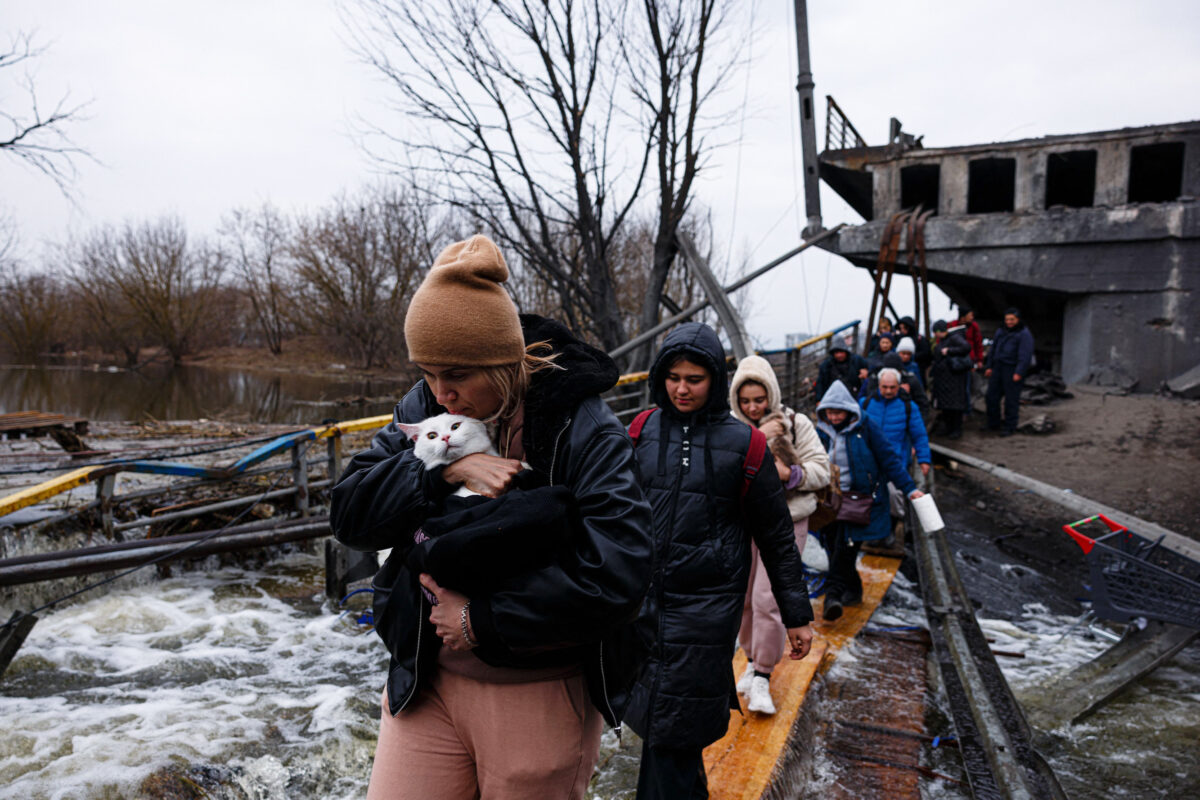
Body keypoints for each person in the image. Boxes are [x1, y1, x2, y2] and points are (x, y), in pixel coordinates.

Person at [330, 234, 653, 800]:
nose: (442, 394)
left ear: (503, 362)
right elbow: (350, 513)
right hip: (425, 681)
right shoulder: (427, 406)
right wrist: (442, 471)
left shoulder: (583, 427)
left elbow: (619, 573)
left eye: (456, 373)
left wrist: (483, 619)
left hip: (539, 689)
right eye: (427, 372)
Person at [623, 323, 814, 800]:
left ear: (714, 380)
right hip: (643, 603)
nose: (682, 389)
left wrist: (796, 615)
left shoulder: (744, 444)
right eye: (673, 377)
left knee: (672, 724)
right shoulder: (641, 430)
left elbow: (774, 534)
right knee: (662, 724)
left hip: (707, 607)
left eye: (694, 378)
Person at [729, 355, 830, 716]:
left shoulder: (796, 423)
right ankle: (753, 658)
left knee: (767, 600)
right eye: (746, 401)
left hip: (786, 522)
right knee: (741, 599)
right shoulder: (732, 428)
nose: (753, 407)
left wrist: (790, 474)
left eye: (759, 400)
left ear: (771, 394)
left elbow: (821, 470)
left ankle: (762, 675)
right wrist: (759, 438)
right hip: (744, 524)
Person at [814, 381, 923, 621]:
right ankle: (853, 590)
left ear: (849, 411)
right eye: (830, 412)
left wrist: (910, 489)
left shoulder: (866, 428)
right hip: (828, 501)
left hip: (856, 501)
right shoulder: (820, 432)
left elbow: (889, 459)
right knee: (832, 547)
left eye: (838, 412)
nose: (834, 417)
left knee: (845, 548)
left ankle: (832, 596)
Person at [985, 307, 1034, 436]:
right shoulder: (1001, 331)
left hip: (1012, 369)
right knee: (991, 396)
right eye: (1007, 319)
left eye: (1012, 319)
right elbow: (993, 349)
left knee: (1011, 400)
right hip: (998, 367)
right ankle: (993, 423)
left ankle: (1009, 426)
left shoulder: (1024, 334)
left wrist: (1019, 372)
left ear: (1017, 319)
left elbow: (1025, 355)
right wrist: (989, 366)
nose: (1009, 322)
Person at [929, 320, 974, 439]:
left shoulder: (954, 338)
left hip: (954, 379)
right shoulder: (944, 341)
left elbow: (966, 347)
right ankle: (949, 428)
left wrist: (949, 351)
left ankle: (956, 430)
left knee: (956, 406)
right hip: (944, 379)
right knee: (946, 406)